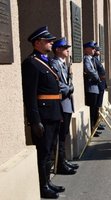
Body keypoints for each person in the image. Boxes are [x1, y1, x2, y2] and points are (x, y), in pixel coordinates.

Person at [21, 26, 64, 198]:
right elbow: (30, 95)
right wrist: (34, 120)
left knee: (50, 150)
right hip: (43, 116)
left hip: (53, 113)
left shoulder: (45, 61)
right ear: (37, 43)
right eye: (47, 41)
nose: (51, 42)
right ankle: (42, 186)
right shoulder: (31, 63)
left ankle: (48, 182)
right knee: (43, 151)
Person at [51, 37, 78, 175]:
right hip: (61, 103)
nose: (68, 50)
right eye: (64, 47)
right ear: (57, 50)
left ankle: (63, 160)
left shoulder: (63, 64)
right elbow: (58, 84)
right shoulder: (54, 64)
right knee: (61, 134)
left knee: (64, 133)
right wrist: (69, 88)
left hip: (67, 103)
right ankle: (60, 164)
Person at [83, 41, 101, 137]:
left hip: (94, 88)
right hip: (91, 88)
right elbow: (89, 70)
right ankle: (92, 129)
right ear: (86, 49)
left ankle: (94, 128)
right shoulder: (86, 58)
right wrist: (97, 77)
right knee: (92, 110)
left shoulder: (91, 59)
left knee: (94, 110)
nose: (94, 50)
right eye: (92, 48)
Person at [93, 43, 106, 132]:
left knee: (98, 106)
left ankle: (97, 123)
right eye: (97, 50)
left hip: (101, 85)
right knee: (96, 107)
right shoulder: (93, 60)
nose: (98, 51)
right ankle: (95, 125)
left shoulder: (96, 59)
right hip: (98, 85)